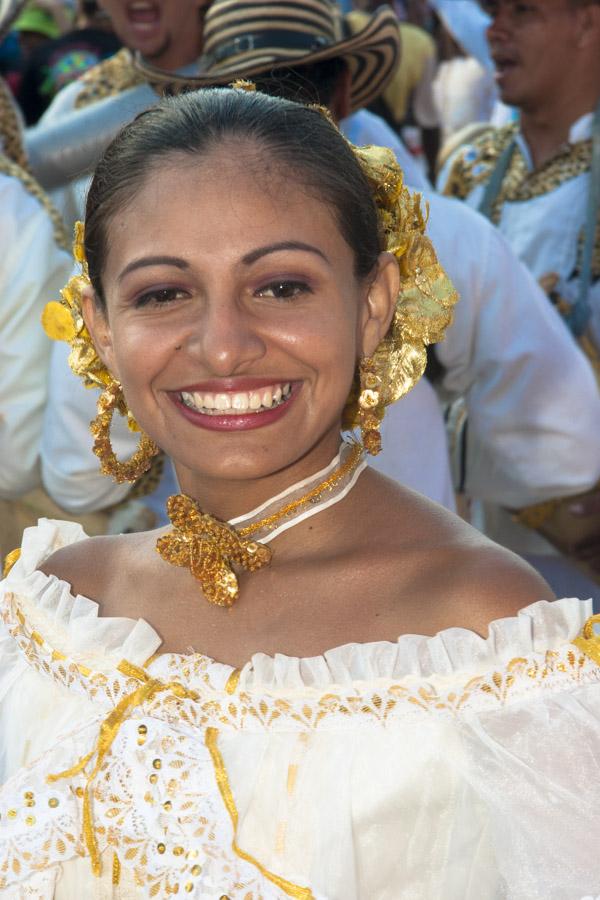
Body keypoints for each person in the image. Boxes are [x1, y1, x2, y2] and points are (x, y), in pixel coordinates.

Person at [1, 86, 600, 898]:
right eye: (162, 294)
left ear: (374, 304)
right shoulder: (55, 611)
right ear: (100, 326)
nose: (222, 348)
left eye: (280, 287)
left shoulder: (485, 636)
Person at [147, 0, 600, 586]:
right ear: (341, 98)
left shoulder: (148, 240)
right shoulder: (441, 227)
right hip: (410, 600)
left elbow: (76, 465)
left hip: (195, 593)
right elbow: (562, 442)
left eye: (285, 288)